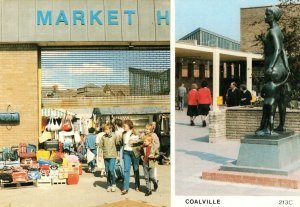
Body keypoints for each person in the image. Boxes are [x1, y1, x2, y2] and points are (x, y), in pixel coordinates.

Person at [256, 6, 291, 134]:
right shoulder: (279, 31)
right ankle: (281, 125)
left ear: (273, 16)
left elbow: (277, 49)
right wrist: (287, 67)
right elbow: (283, 51)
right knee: (281, 99)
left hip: (274, 68)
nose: (265, 17)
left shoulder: (272, 31)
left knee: (269, 99)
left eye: (267, 14)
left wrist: (270, 66)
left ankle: (267, 128)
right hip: (281, 69)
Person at [121, 120, 143, 195]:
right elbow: (121, 142)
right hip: (126, 152)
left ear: (129, 126)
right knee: (126, 170)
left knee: (136, 169)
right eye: (123, 126)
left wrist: (134, 142)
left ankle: (137, 185)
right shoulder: (123, 133)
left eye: (125, 126)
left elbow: (142, 140)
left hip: (134, 152)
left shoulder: (135, 132)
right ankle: (125, 188)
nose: (124, 127)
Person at [100, 124, 121, 192]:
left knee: (111, 170)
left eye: (107, 129)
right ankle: (108, 185)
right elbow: (101, 146)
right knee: (107, 171)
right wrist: (100, 155)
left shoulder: (114, 136)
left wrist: (118, 155)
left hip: (112, 155)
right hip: (105, 156)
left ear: (110, 129)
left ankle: (114, 184)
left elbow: (117, 145)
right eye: (104, 129)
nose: (106, 131)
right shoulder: (103, 137)